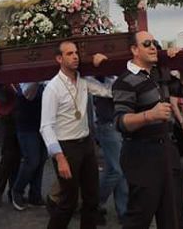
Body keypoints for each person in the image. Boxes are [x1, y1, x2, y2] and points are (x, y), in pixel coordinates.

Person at [112, 31, 183, 229]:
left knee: (174, 215)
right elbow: (120, 122)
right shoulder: (124, 81)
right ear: (134, 50)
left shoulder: (160, 73)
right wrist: (150, 115)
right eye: (147, 43)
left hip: (168, 149)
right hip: (141, 154)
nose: (153, 47)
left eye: (155, 43)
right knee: (140, 216)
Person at [39, 40, 110, 229]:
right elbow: (45, 127)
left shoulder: (83, 80)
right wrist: (60, 157)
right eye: (69, 53)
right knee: (68, 202)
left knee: (91, 199)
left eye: (76, 53)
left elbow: (107, 91)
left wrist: (106, 67)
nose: (75, 56)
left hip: (86, 144)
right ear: (59, 58)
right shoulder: (52, 88)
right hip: (66, 148)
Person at [93, 76, 127, 223]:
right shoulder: (99, 74)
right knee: (117, 169)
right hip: (108, 123)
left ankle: (124, 211)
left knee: (119, 168)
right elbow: (109, 90)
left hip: (119, 122)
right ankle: (93, 204)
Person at [11, 82, 47, 211]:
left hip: (43, 124)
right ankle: (17, 191)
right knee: (32, 160)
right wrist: (39, 80)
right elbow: (28, 95)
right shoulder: (24, 79)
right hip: (27, 125)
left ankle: (35, 195)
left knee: (41, 160)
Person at [0, 84, 20, 208]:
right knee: (8, 155)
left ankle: (12, 190)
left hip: (16, 117)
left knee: (16, 156)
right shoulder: (4, 80)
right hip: (2, 117)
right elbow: (1, 96)